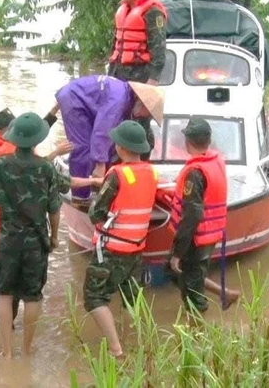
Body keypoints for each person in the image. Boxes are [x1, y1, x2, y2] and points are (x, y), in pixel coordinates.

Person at [0, 106, 74, 330]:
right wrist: (54, 237)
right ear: (2, 131)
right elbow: (50, 194)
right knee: (14, 289)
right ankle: (1, 324)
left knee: (5, 289)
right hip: (16, 233)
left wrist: (56, 108)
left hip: (5, 233)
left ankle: (4, 345)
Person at [83, 121, 158, 358]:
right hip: (137, 249)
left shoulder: (116, 174)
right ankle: (131, 342)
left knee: (94, 297)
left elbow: (95, 213)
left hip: (111, 249)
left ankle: (116, 350)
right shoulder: (151, 172)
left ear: (121, 148)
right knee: (130, 297)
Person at [167, 116, 240, 313]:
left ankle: (197, 332)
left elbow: (192, 216)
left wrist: (177, 253)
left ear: (187, 141)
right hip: (210, 234)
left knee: (192, 291)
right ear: (208, 140)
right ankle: (225, 293)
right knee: (186, 273)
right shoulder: (215, 161)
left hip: (195, 239)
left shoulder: (195, 172)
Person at [54, 75, 164, 201]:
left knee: (108, 145)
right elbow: (102, 131)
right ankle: (80, 195)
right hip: (74, 99)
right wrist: (100, 164)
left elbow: (110, 137)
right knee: (83, 147)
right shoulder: (118, 100)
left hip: (87, 102)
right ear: (143, 104)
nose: (143, 116)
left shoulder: (127, 98)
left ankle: (100, 186)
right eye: (148, 114)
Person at [107, 0, 168, 86]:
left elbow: (159, 49)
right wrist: (110, 75)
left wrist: (153, 79)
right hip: (118, 74)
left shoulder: (152, 12)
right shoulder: (122, 11)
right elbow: (116, 45)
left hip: (140, 76)